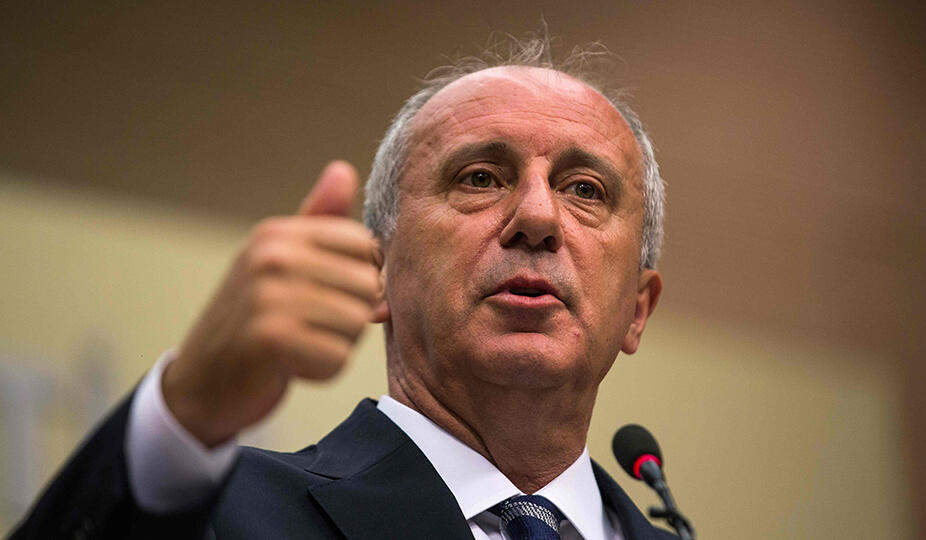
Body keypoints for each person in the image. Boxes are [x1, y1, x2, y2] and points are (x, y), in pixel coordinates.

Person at [12, 36, 672, 539]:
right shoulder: (217, 513)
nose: (537, 216)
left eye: (586, 191)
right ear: (376, 271)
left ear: (637, 311)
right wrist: (188, 409)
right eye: (479, 178)